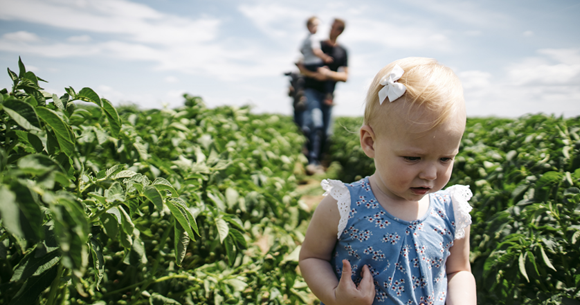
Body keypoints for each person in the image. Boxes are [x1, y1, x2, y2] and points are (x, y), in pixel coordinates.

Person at [299, 57, 477, 304]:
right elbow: (312, 258)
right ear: (370, 142)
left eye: (445, 159)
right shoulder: (345, 205)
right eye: (413, 158)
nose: (430, 174)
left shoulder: (451, 210)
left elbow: (458, 270)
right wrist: (335, 296)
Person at [297, 18, 348, 175]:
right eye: (331, 26)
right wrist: (314, 75)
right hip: (311, 89)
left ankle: (318, 161)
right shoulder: (319, 44)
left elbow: (345, 76)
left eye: (335, 27)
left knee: (327, 132)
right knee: (316, 123)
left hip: (328, 95)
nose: (331, 29)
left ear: (340, 31)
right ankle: (312, 161)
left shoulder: (342, 51)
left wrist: (327, 74)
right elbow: (300, 64)